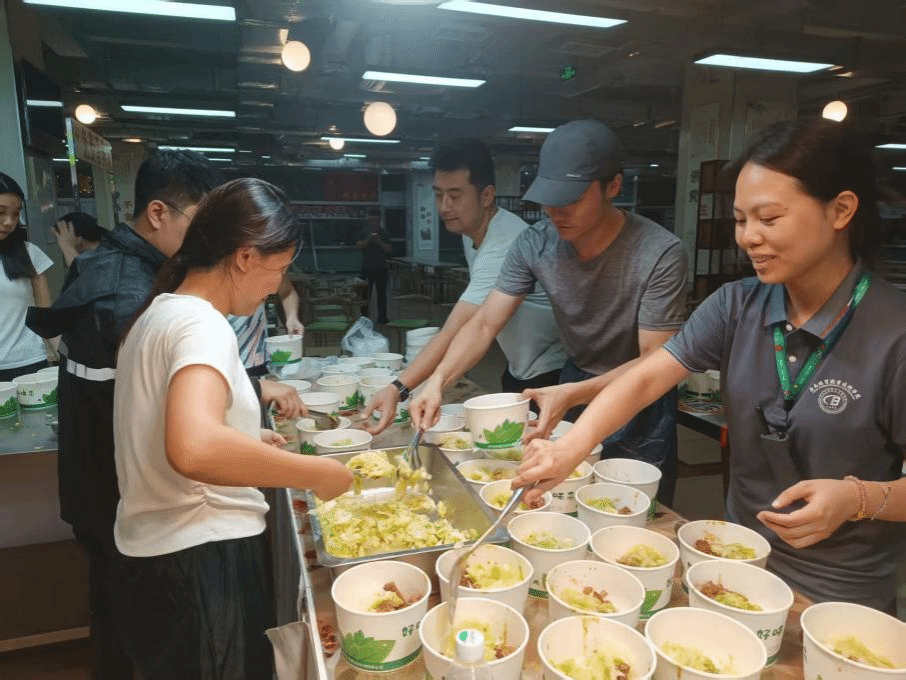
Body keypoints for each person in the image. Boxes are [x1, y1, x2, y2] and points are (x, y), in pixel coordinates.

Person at [515, 118, 906, 612]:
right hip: (734, 563)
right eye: (741, 220)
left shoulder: (894, 332)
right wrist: (569, 449)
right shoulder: (736, 305)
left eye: (769, 218)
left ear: (841, 210)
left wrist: (858, 499)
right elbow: (647, 377)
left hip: (839, 596)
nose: (748, 238)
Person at [111, 177, 353, 679]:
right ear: (245, 257)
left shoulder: (159, 312)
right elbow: (194, 447)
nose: (274, 286)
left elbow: (165, 425)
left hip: (158, 563)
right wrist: (318, 473)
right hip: (201, 563)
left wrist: (243, 435)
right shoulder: (202, 324)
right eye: (278, 270)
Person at [410, 120, 687, 503]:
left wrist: (575, 394)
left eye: (572, 199)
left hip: (641, 393)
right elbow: (485, 323)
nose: (556, 212)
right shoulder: (535, 244)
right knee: (560, 500)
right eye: (549, 198)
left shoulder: (659, 253)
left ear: (613, 187)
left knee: (634, 510)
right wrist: (437, 381)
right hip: (574, 381)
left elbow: (654, 360)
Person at [26, 150, 223, 680]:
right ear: (158, 213)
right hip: (117, 495)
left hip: (103, 488)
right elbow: (162, 401)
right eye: (200, 222)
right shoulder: (124, 291)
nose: (208, 239)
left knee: (120, 620)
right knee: (142, 630)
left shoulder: (112, 264)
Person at [363, 138, 566, 434]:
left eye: (455, 196)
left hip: (551, 373)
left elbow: (459, 329)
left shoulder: (505, 243)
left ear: (487, 195)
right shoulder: (472, 231)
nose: (445, 207)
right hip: (520, 366)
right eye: (439, 195)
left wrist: (399, 387)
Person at [0, 172, 55, 381]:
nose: (9, 222)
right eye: (1, 212)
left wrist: (65, 358)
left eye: (15, 214)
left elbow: (45, 314)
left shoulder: (29, 254)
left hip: (30, 364)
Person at [228, 274, 304, 379]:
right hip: (220, 364)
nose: (265, 297)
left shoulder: (262, 268)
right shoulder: (212, 273)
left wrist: (292, 317)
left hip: (256, 361)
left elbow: (287, 290)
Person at [355, 214, 392, 324]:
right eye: (372, 220)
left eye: (376, 220)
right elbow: (357, 246)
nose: (374, 223)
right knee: (365, 295)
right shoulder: (363, 232)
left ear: (379, 221)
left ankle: (382, 318)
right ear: (369, 221)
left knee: (382, 295)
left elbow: (389, 249)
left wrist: (379, 241)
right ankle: (364, 318)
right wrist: (368, 240)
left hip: (381, 268)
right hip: (367, 267)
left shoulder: (384, 233)